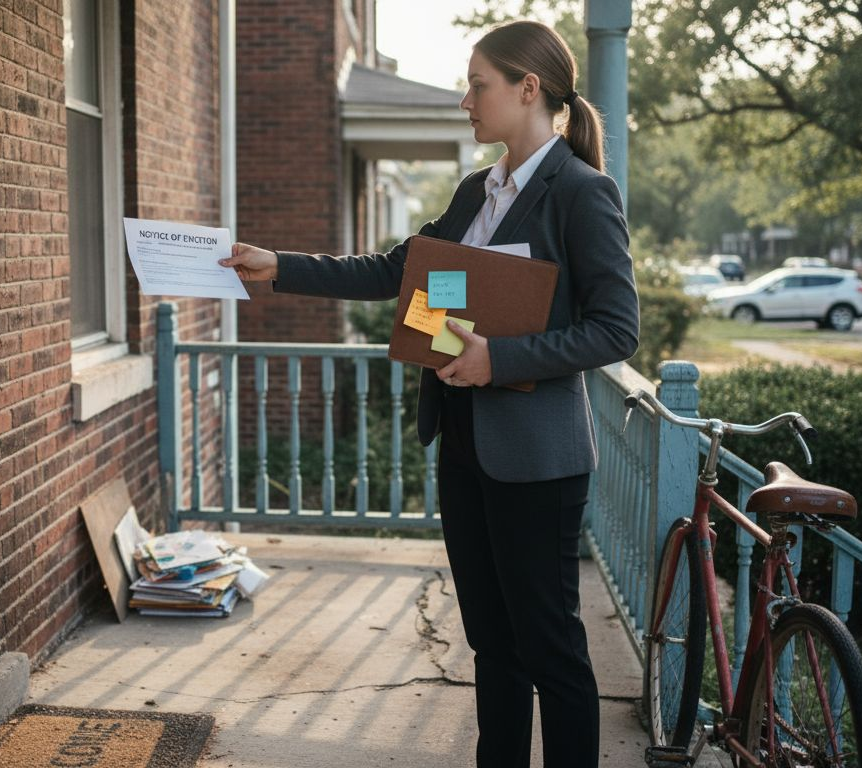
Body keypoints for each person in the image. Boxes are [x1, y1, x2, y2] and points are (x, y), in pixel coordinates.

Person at [220, 20, 639, 768]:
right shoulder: (478, 190)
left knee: (551, 650)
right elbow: (394, 270)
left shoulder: (581, 191)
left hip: (538, 462)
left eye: (478, 86)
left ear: (528, 89)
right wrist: (275, 263)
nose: (465, 102)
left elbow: (616, 329)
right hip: (465, 446)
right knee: (490, 643)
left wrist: (499, 358)